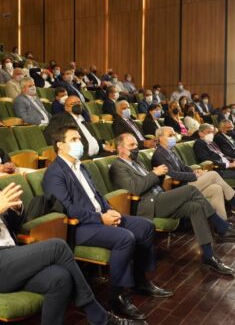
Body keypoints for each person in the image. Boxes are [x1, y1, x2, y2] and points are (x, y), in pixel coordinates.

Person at [0, 139, 137, 325]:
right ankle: (99, 316)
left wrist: (16, 209)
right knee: (58, 246)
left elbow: (15, 227)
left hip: (13, 255)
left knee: (60, 278)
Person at [43, 126, 173, 320]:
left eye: (79, 138)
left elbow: (97, 195)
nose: (80, 142)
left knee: (146, 227)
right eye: (74, 139)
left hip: (100, 216)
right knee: (125, 238)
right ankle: (116, 296)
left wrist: (109, 209)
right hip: (78, 226)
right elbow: (68, 209)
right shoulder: (55, 173)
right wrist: (100, 218)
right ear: (60, 145)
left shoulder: (81, 166)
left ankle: (140, 280)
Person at [110, 133, 235, 276]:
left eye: (136, 144)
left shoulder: (137, 162)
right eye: (131, 145)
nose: (136, 148)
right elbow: (136, 189)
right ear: (120, 148)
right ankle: (223, 226)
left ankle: (209, 256)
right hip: (148, 205)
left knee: (195, 207)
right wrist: (154, 173)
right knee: (191, 190)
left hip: (160, 197)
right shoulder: (117, 166)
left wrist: (160, 174)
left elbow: (152, 182)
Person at [152, 126, 235, 219]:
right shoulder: (159, 155)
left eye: (174, 135)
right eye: (170, 135)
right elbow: (173, 175)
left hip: (186, 182)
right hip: (179, 189)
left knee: (216, 189)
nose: (173, 137)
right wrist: (194, 175)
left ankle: (223, 225)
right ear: (160, 138)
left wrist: (195, 170)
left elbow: (183, 167)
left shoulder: (170, 150)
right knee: (213, 174)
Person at [44, 96, 113, 159]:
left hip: (98, 153)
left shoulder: (83, 120)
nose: (77, 105)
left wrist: (103, 146)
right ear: (66, 108)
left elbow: (90, 138)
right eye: (73, 103)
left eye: (79, 102)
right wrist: (65, 151)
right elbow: (49, 134)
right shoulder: (61, 118)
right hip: (83, 158)